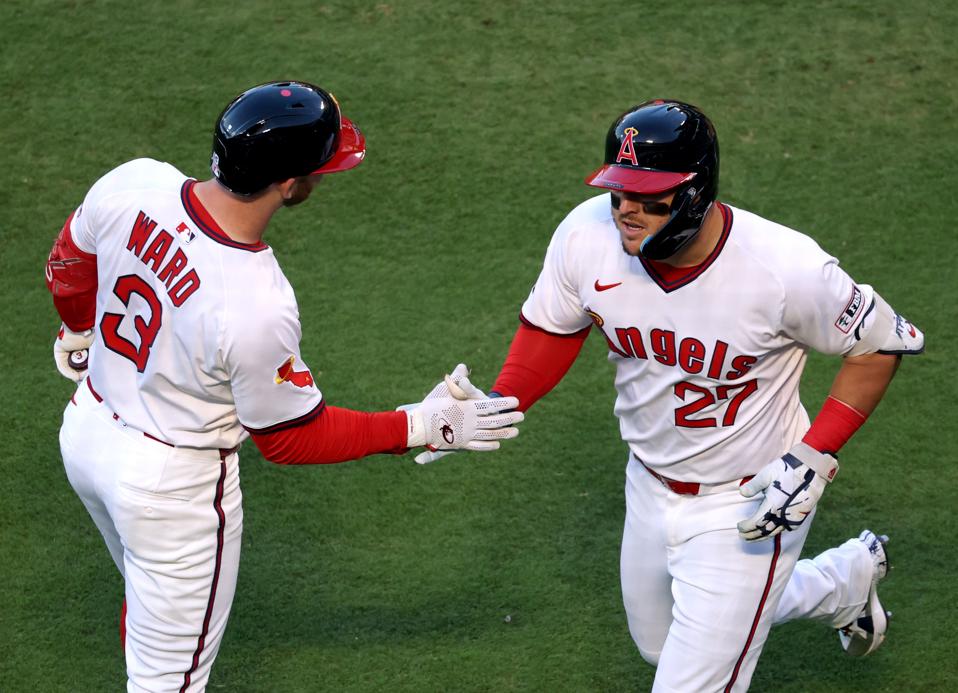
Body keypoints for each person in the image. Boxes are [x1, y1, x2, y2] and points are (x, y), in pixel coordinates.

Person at [419, 100, 924, 691]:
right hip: (648, 481)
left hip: (750, 498)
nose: (625, 210)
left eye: (647, 196)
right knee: (659, 646)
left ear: (695, 193)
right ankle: (840, 583)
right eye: (617, 192)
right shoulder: (586, 235)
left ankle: (781, 588)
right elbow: (553, 328)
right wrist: (500, 401)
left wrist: (815, 454)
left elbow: (882, 343)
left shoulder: (786, 269)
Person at [44, 80, 522, 692]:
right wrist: (421, 425)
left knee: (148, 607)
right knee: (167, 682)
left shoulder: (135, 181)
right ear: (290, 184)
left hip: (87, 431)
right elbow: (291, 438)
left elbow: (67, 262)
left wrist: (80, 328)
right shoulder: (254, 302)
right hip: (171, 489)